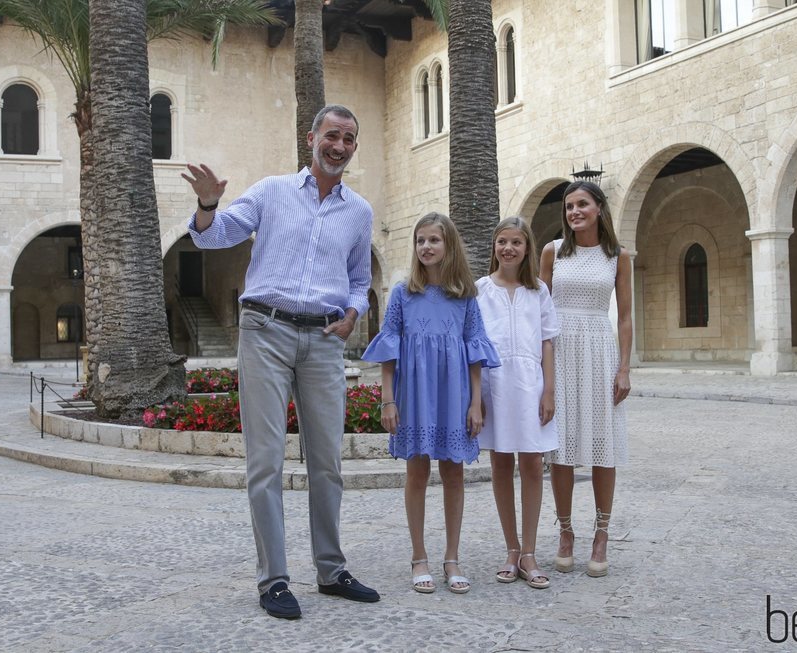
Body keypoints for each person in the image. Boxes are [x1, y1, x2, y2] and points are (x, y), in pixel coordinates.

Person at [181, 105, 379, 619]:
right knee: (265, 462)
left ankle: (331, 570)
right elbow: (215, 234)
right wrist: (206, 204)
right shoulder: (271, 191)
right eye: (332, 135)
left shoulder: (359, 212)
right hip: (265, 332)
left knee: (327, 463)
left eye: (349, 139)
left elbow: (359, 277)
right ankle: (274, 581)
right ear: (311, 137)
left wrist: (355, 311)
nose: (339, 145)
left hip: (324, 340)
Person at [362, 212, 500, 595]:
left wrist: (476, 403)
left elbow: (475, 355)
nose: (426, 247)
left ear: (448, 244)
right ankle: (418, 555)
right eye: (420, 240)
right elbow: (389, 352)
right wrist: (388, 401)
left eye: (433, 240)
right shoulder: (404, 295)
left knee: (454, 475)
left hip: (454, 395)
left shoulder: (466, 297)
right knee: (417, 475)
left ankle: (452, 557)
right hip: (415, 396)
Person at [540, 180, 632, 579]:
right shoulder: (552, 251)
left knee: (601, 445)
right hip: (560, 352)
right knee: (561, 446)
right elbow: (540, 311)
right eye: (569, 206)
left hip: (598, 350)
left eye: (582, 204)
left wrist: (624, 367)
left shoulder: (618, 256)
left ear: (599, 208)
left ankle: (602, 534)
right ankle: (565, 532)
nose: (574, 212)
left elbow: (625, 315)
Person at [476, 217, 560, 590]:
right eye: (502, 242)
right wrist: (474, 400)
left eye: (516, 242)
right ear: (494, 247)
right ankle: (511, 549)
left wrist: (549, 391)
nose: (508, 248)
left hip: (530, 384)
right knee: (500, 463)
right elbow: (474, 346)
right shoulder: (479, 290)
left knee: (531, 463)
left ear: (527, 248)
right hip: (495, 384)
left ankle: (529, 551)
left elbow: (546, 342)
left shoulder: (538, 290)